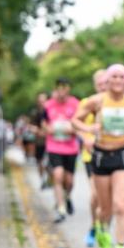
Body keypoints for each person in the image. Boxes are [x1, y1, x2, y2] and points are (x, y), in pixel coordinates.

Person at [74, 64, 124, 248]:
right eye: (113, 76)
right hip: (100, 156)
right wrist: (89, 129)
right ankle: (101, 226)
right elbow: (75, 121)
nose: (117, 80)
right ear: (107, 79)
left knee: (120, 205)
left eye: (122, 76)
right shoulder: (96, 101)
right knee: (104, 208)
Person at [43, 78, 80, 223]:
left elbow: (81, 122)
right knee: (57, 175)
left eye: (65, 87)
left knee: (69, 181)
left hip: (71, 147)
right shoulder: (48, 105)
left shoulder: (75, 104)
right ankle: (61, 208)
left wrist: (73, 128)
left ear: (69, 89)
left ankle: (68, 197)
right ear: (56, 88)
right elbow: (43, 123)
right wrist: (48, 129)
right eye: (59, 87)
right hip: (54, 146)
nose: (62, 90)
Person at [81, 69, 109, 248]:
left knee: (109, 199)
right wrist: (86, 137)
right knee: (95, 196)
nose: (102, 87)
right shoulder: (88, 102)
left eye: (105, 83)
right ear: (95, 85)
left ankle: (103, 229)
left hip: (112, 154)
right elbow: (76, 124)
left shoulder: (117, 103)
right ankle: (93, 226)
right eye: (99, 84)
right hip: (91, 156)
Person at [33, 92, 50, 188]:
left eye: (44, 100)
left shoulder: (51, 111)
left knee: (49, 163)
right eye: (40, 101)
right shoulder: (36, 113)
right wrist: (38, 131)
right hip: (40, 142)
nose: (42, 103)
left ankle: (50, 179)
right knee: (39, 161)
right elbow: (31, 126)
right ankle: (42, 180)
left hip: (51, 142)